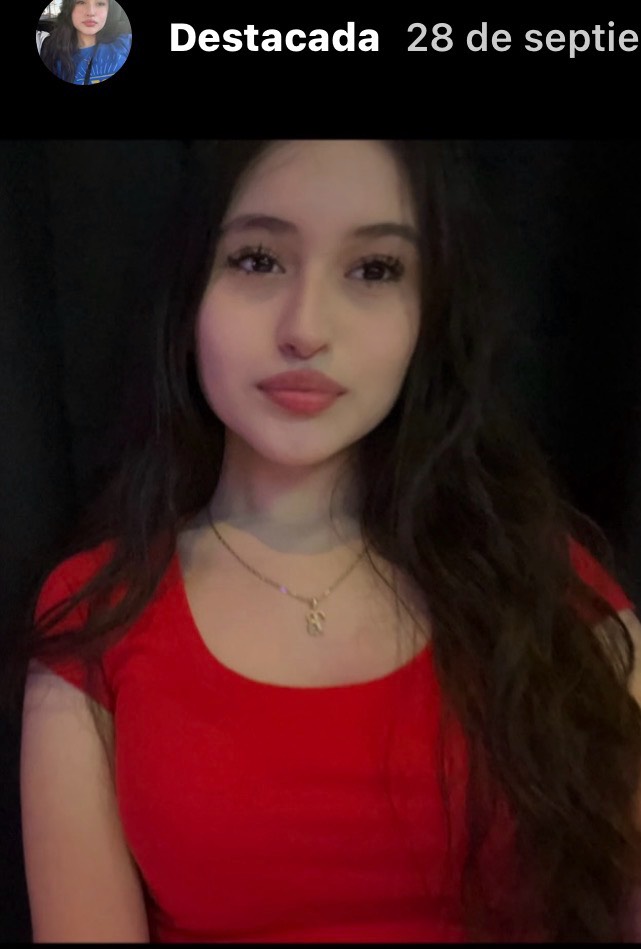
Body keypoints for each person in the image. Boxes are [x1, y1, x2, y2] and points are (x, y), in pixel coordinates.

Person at [14, 140, 641, 942]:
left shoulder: (554, 585)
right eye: (257, 259)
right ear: (189, 295)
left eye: (374, 269)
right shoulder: (96, 610)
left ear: (429, 314)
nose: (306, 328)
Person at [37, 0, 131, 85]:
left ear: (109, 10)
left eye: (100, 3)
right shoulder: (51, 52)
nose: (90, 12)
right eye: (81, 2)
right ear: (69, 8)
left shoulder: (126, 44)